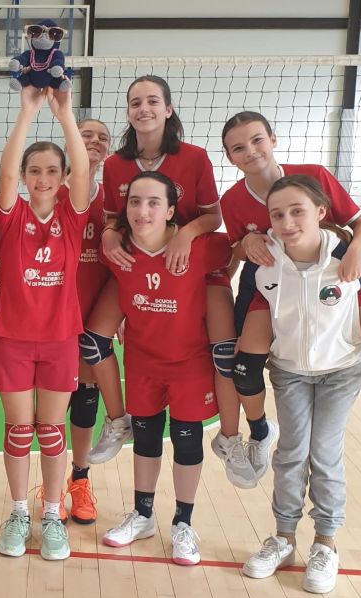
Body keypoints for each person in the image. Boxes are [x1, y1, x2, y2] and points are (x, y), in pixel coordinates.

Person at [221, 111, 361, 481]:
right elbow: (239, 252)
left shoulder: (314, 176)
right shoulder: (233, 200)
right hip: (273, 283)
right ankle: (259, 432)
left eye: (257, 140)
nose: (251, 151)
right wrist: (246, 242)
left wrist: (356, 252)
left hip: (338, 272)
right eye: (239, 147)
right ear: (229, 157)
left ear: (273, 139)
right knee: (245, 366)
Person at [235, 174, 361, 593]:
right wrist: (242, 342)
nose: (287, 222)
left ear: (321, 213)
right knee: (292, 451)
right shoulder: (266, 259)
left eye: (297, 212)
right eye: (277, 215)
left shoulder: (347, 253)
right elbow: (247, 302)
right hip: (290, 369)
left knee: (325, 453)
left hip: (342, 368)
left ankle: (325, 543)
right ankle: (283, 538)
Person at [81, 75, 242, 465]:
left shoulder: (194, 157)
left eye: (153, 101)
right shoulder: (116, 165)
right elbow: (115, 218)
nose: (144, 109)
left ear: (168, 109)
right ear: (128, 112)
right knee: (93, 341)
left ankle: (232, 439)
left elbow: (213, 217)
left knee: (224, 353)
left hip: (191, 263)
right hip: (138, 263)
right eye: (135, 102)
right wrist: (108, 234)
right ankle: (118, 421)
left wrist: (185, 234)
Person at [99, 171, 231, 567]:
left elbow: (236, 250)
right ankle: (142, 516)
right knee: (146, 439)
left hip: (190, 366)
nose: (143, 211)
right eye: (135, 202)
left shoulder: (200, 248)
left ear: (171, 210)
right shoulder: (118, 250)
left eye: (154, 202)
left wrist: (216, 302)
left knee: (187, 442)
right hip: (142, 364)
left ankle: (183, 524)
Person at [0, 86, 88, 561]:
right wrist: (27, 112)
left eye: (52, 171)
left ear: (63, 177)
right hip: (11, 338)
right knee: (17, 428)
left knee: (51, 430)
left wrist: (65, 116)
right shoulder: (11, 216)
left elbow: (83, 170)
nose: (43, 178)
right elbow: (7, 171)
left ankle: (51, 513)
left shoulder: (72, 216)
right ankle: (17, 512)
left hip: (59, 339)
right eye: (35, 171)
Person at [64, 117, 131, 524]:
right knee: (50, 404)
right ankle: (50, 484)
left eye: (102, 137)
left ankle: (80, 479)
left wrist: (119, 309)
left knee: (85, 395)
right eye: (85, 134)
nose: (94, 141)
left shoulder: (112, 201)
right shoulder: (50, 191)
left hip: (93, 309)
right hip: (53, 311)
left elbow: (122, 260)